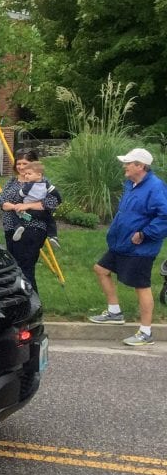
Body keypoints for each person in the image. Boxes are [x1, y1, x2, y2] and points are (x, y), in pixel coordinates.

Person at [87, 148, 167, 346]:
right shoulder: (131, 184)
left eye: (128, 163)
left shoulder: (155, 187)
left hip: (141, 248)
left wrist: (144, 234)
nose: (125, 166)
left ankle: (146, 332)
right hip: (121, 243)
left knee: (142, 287)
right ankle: (115, 312)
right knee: (101, 269)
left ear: (140, 166)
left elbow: (164, 216)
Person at [0, 150, 60, 292]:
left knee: (25, 267)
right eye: (18, 163)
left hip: (33, 228)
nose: (21, 167)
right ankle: (18, 299)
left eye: (25, 163)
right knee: (14, 266)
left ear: (33, 165)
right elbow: (1, 201)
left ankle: (32, 301)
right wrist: (15, 207)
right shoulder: (12, 182)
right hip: (11, 228)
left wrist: (26, 205)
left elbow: (52, 202)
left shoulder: (41, 182)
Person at [13, 161, 60, 246]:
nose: (26, 176)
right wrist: (59, 199)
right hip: (42, 212)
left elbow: (20, 195)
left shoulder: (28, 186)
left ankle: (19, 226)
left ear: (39, 175)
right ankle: (53, 236)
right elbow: (55, 193)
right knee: (50, 221)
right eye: (26, 174)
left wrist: (20, 200)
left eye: (29, 174)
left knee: (18, 214)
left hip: (29, 211)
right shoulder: (46, 184)